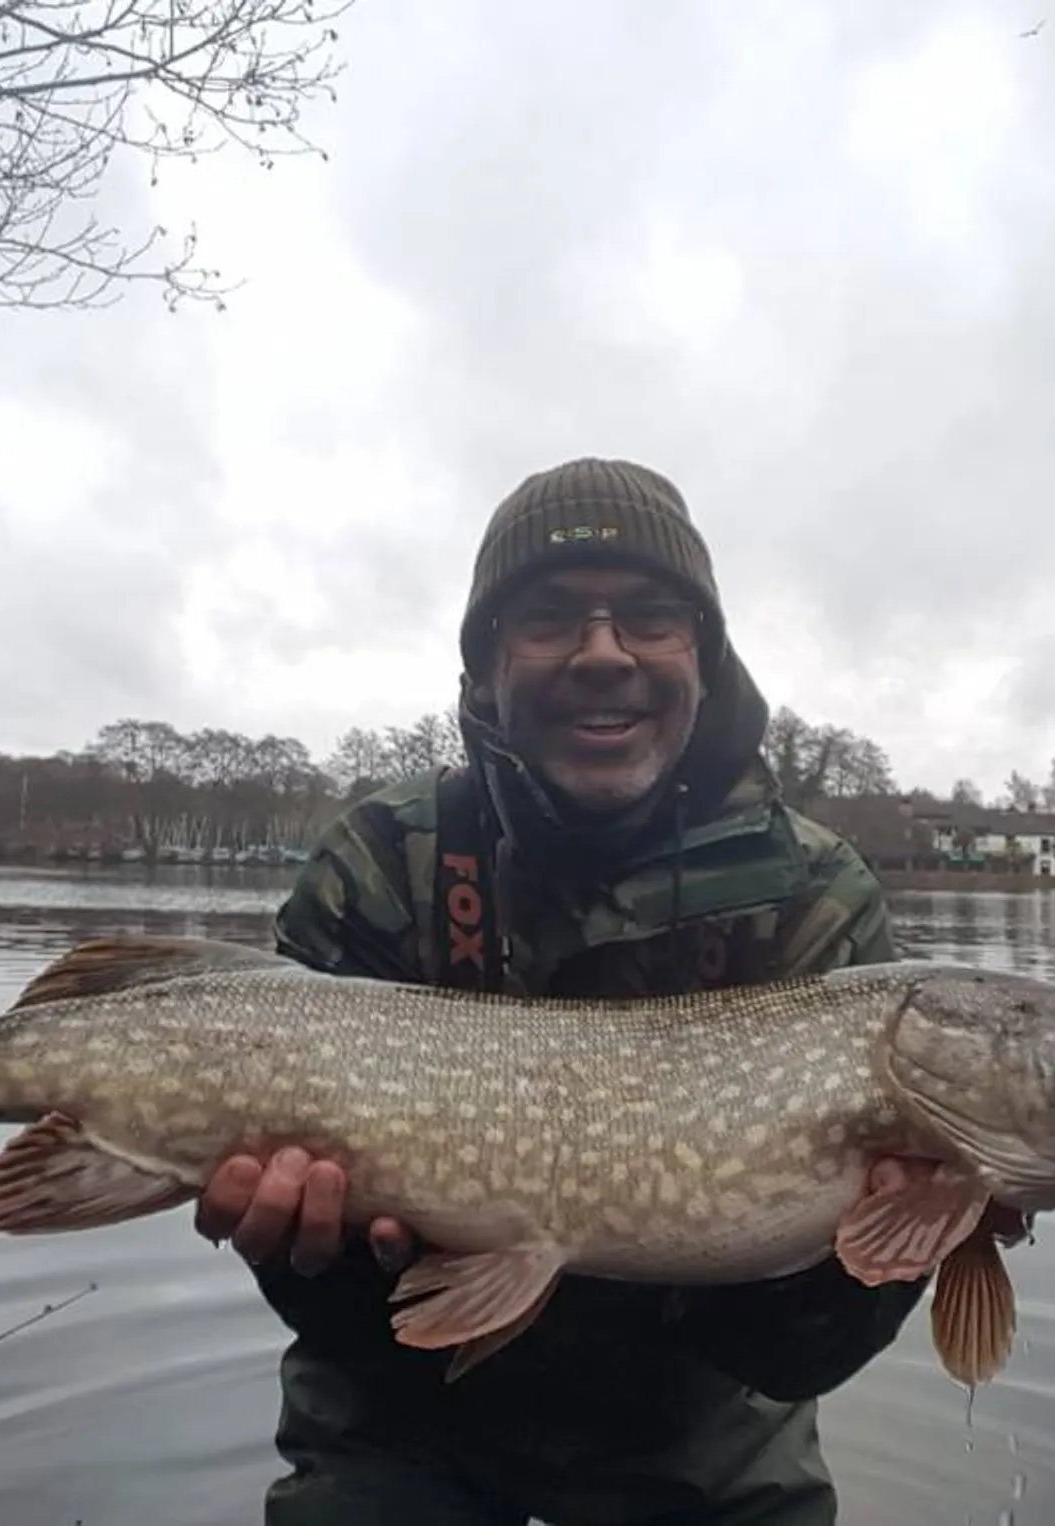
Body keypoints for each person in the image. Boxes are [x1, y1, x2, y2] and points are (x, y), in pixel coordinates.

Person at [195, 458, 927, 1525]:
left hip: (698, 1429)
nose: (601, 653)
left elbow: (792, 1355)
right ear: (487, 668)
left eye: (649, 616)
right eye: (545, 618)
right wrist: (312, 1253)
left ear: (702, 658)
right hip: (397, 1410)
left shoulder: (813, 894)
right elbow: (333, 1310)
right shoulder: (385, 859)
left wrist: (897, 1240)